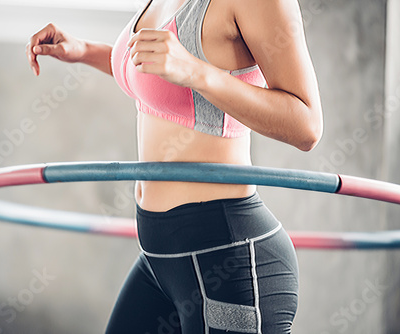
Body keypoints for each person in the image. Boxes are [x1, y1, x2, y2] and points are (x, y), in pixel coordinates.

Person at [26, 0, 322, 332]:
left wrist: (197, 72)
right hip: (161, 259)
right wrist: (84, 50)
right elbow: (159, 79)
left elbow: (306, 126)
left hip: (228, 260)